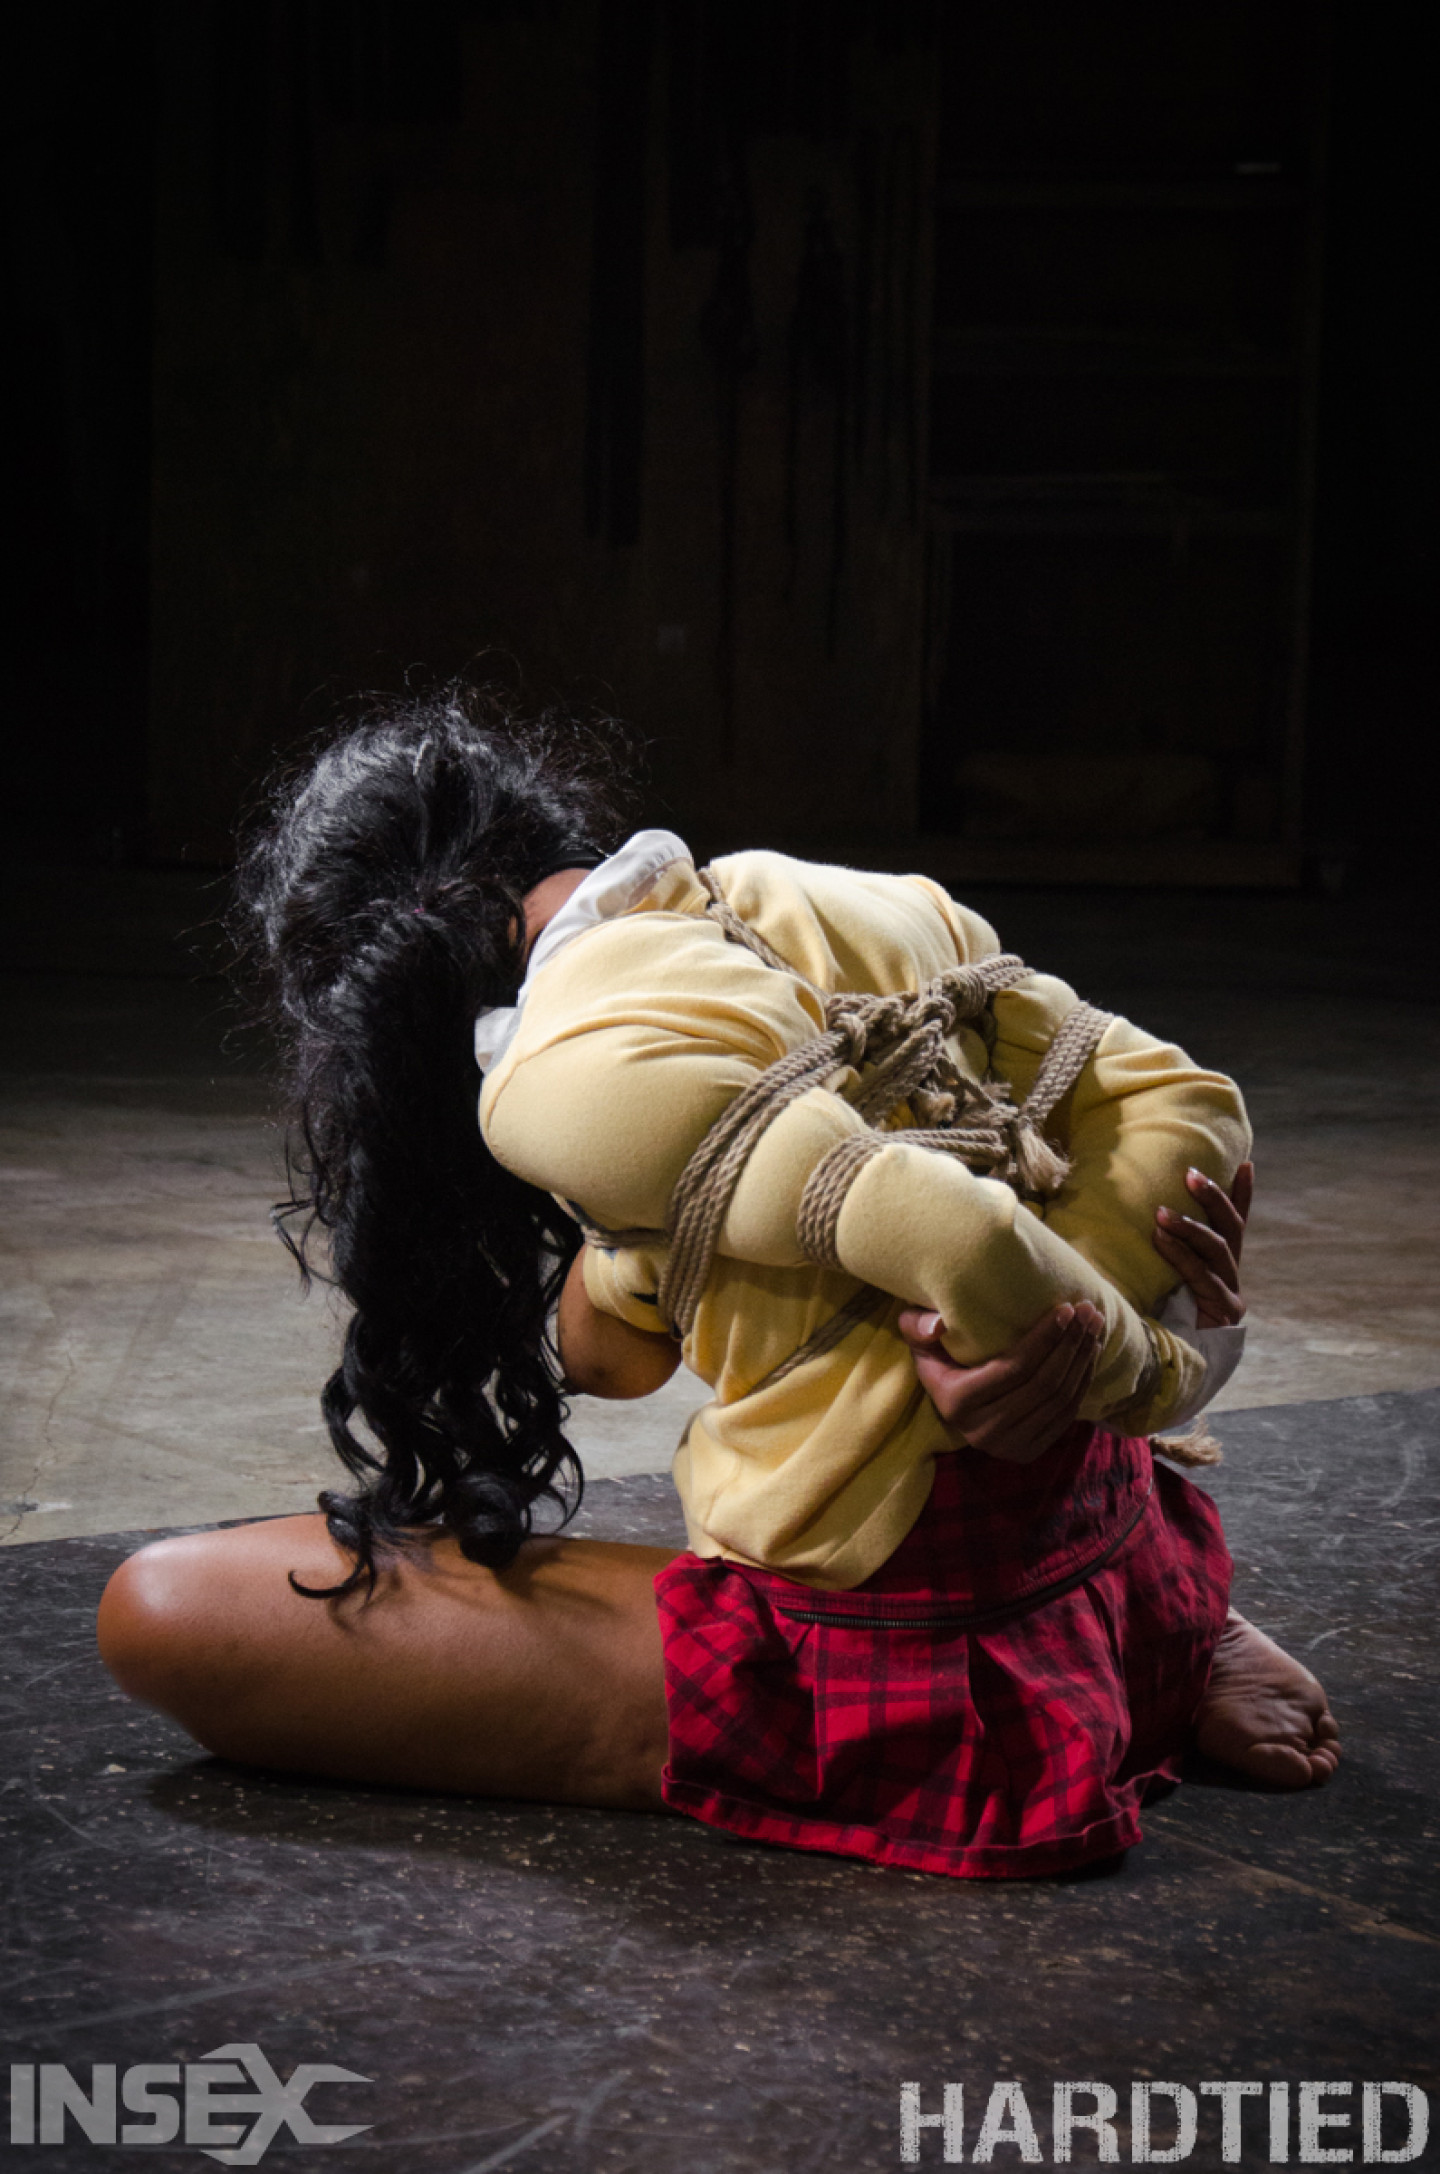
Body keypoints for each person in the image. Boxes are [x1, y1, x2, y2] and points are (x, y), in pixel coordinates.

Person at [97, 691, 1339, 1879]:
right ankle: (1155, 1627)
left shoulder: (562, 1073)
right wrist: (1155, 1301)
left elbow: (929, 1240)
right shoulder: (800, 893)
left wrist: (1162, 1370)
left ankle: (1079, 1692)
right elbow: (618, 1346)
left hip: (915, 1630)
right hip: (1097, 1526)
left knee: (165, 1607)